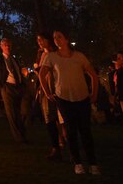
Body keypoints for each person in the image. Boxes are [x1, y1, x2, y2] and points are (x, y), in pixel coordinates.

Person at [40, 30, 100, 175]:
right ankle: (77, 163)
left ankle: (92, 163)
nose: (56, 40)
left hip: (82, 97)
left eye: (59, 37)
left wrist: (94, 93)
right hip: (64, 98)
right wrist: (48, 93)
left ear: (67, 39)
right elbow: (42, 74)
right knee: (71, 131)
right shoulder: (51, 57)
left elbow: (93, 75)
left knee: (85, 131)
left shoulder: (79, 56)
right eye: (54, 38)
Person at [0, 37, 28, 143]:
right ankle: (19, 137)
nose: (7, 47)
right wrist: (2, 88)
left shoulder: (13, 59)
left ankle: (21, 133)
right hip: (7, 87)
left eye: (9, 45)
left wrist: (23, 80)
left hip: (18, 86)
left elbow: (18, 72)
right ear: (1, 46)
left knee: (23, 111)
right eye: (5, 45)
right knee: (11, 113)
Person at [34, 33, 62, 160]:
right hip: (47, 90)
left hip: (56, 87)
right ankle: (56, 147)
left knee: (60, 117)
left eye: (41, 39)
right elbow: (41, 74)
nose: (39, 42)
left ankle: (62, 141)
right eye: (38, 40)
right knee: (50, 117)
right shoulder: (41, 55)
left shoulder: (55, 54)